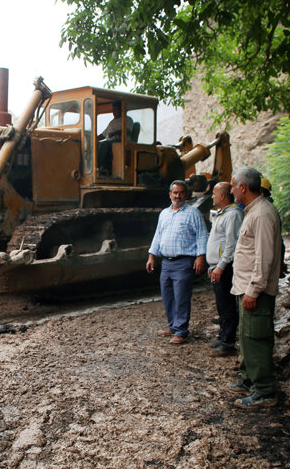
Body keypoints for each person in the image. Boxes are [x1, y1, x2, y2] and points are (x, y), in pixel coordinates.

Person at [228, 167, 283, 408]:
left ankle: (264, 392)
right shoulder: (254, 211)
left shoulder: (261, 214)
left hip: (254, 291)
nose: (231, 190)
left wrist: (254, 289)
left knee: (256, 338)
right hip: (246, 288)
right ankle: (250, 379)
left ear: (243, 188)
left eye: (232, 186)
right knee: (247, 337)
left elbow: (265, 257)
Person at [146, 180, 208, 344]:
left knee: (181, 297)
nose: (178, 196)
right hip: (166, 263)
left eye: (181, 193)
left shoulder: (193, 213)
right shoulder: (164, 214)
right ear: (170, 194)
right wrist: (152, 256)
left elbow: (202, 235)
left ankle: (181, 331)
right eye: (175, 192)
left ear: (186, 195)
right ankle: (173, 326)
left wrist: (201, 256)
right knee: (168, 297)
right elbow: (157, 236)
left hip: (184, 262)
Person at [205, 182, 243, 356]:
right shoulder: (223, 214)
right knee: (221, 303)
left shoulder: (233, 215)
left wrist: (220, 266)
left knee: (227, 304)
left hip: (225, 267)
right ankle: (222, 336)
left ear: (222, 195)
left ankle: (228, 343)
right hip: (218, 266)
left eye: (214, 193)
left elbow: (231, 245)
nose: (212, 196)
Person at [98, 101, 133, 174]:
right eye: (113, 110)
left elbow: (127, 131)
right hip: (110, 143)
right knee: (98, 144)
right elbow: (104, 135)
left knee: (105, 144)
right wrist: (94, 139)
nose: (113, 112)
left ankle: (97, 165)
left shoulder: (127, 119)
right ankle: (102, 167)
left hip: (121, 142)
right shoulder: (112, 122)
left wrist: (115, 133)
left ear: (121, 110)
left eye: (115, 110)